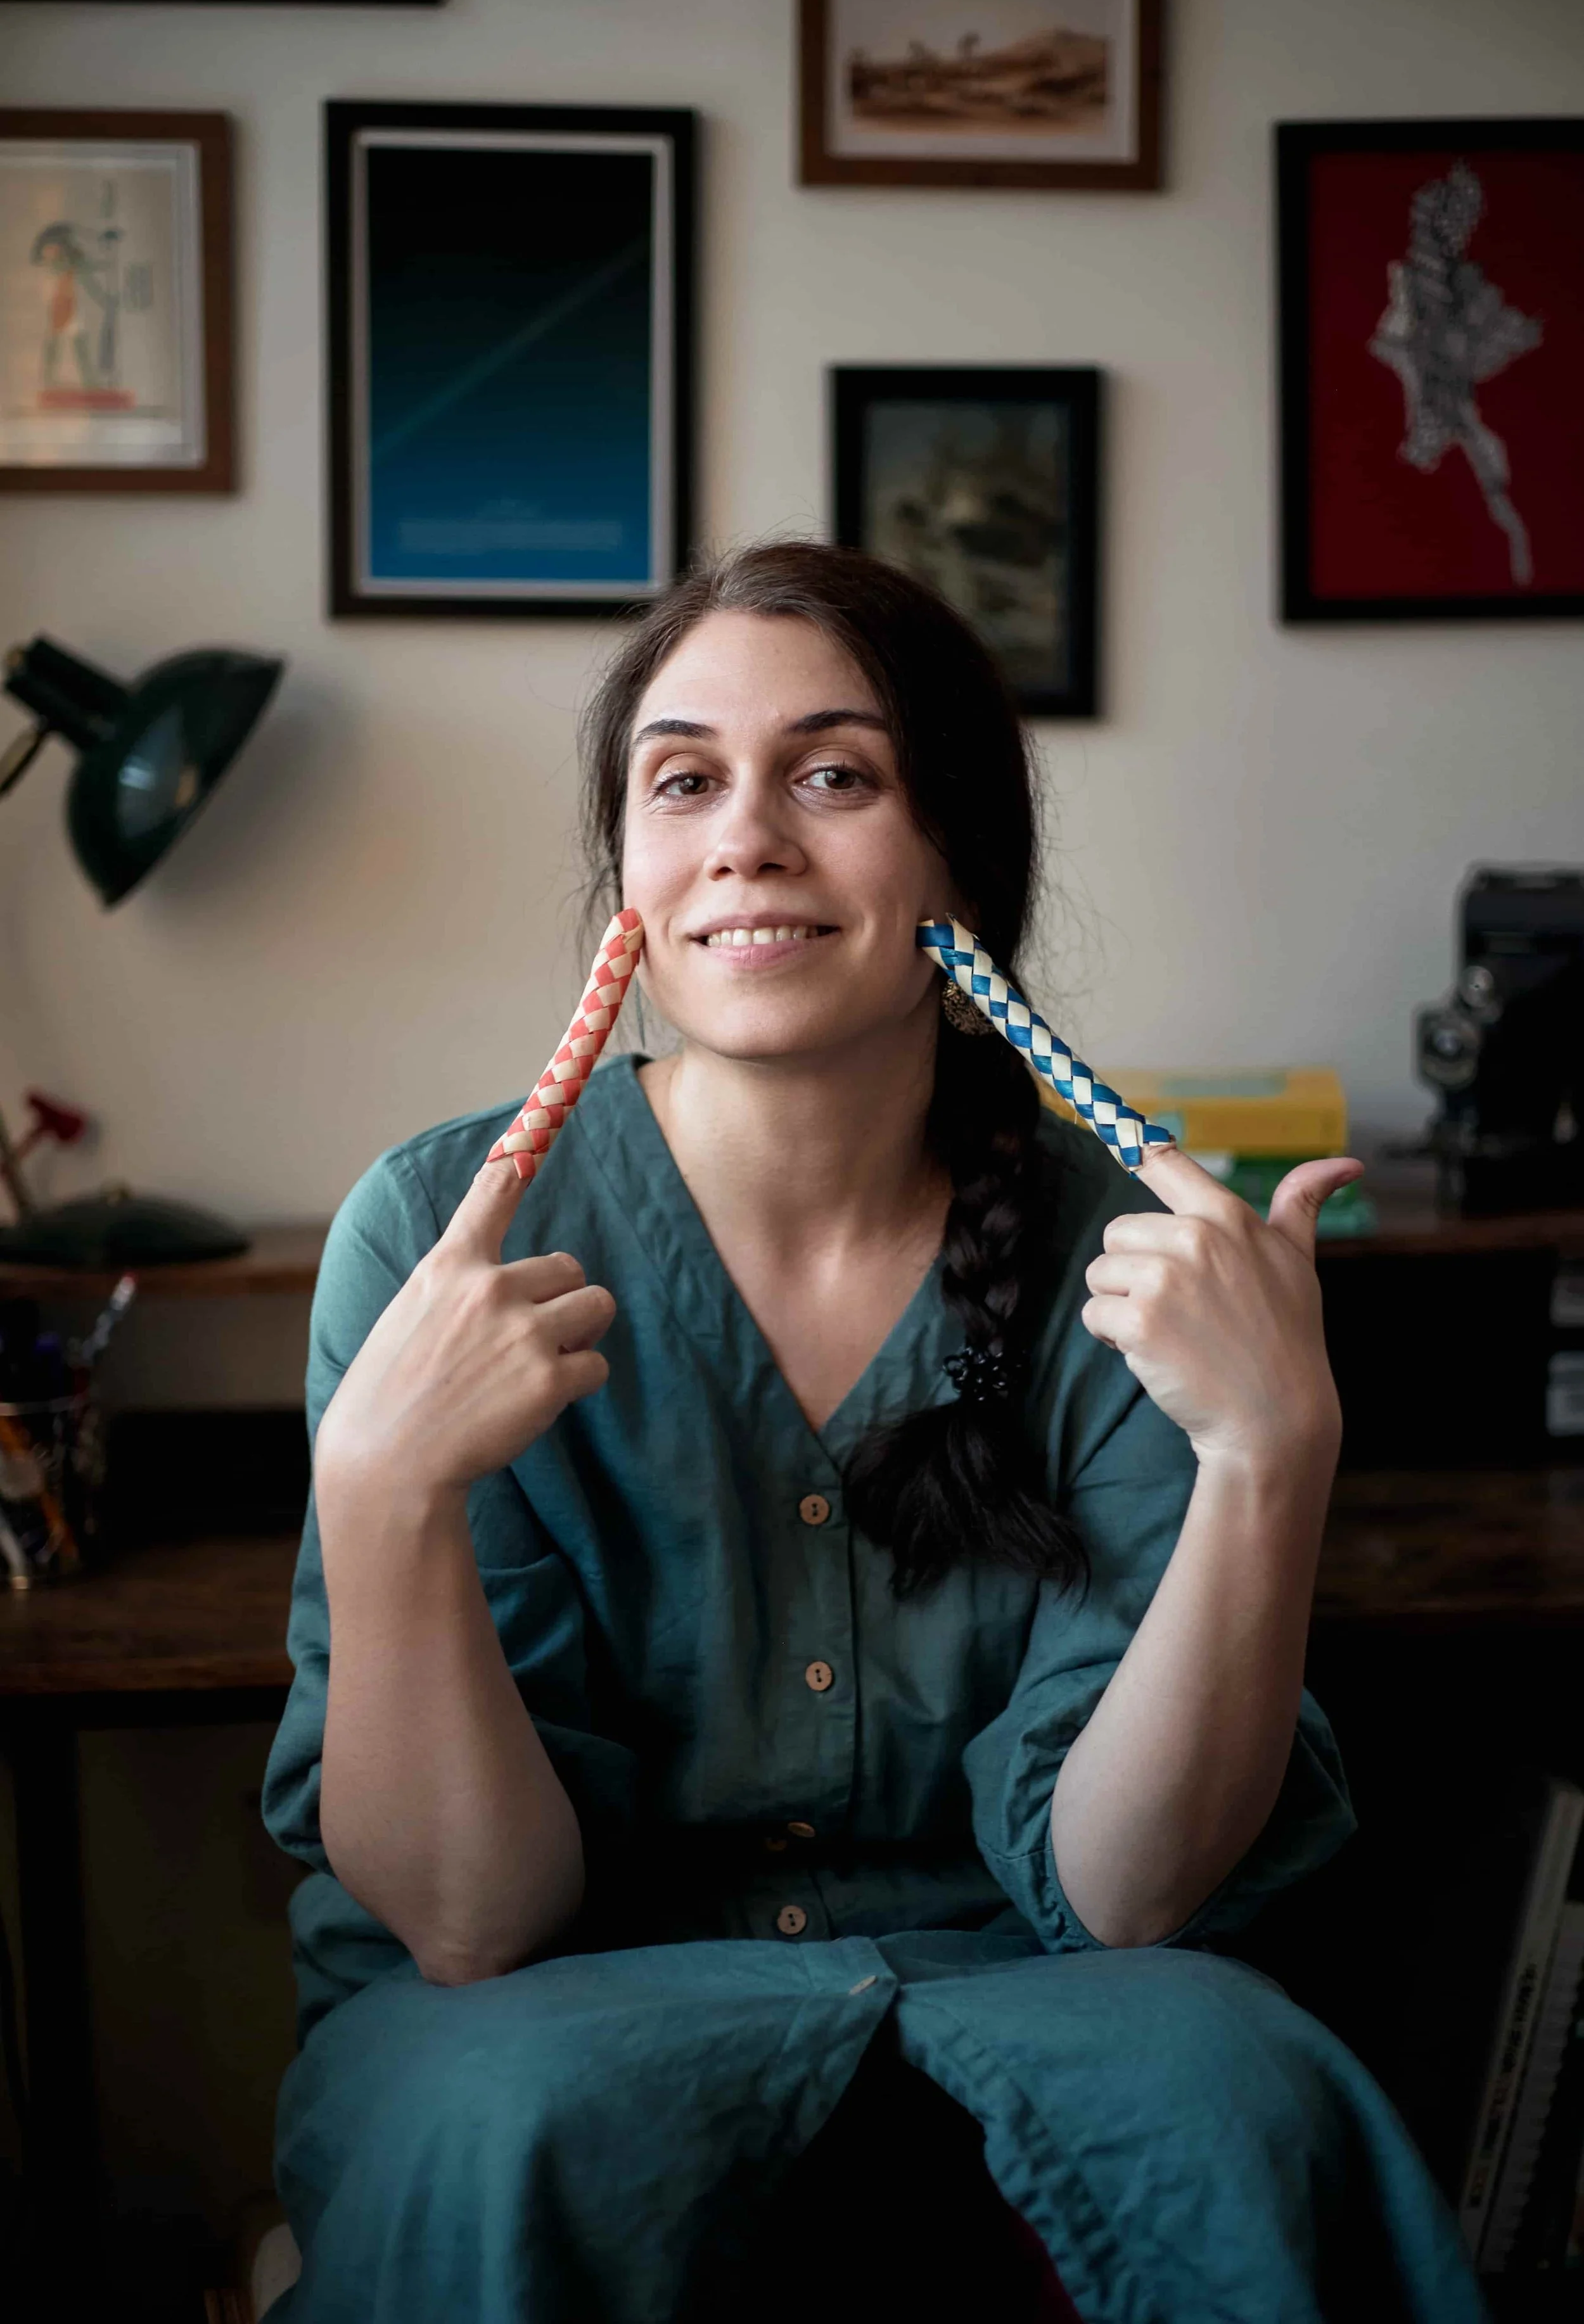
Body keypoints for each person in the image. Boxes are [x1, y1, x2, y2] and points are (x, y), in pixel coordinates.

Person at [262, 542, 1486, 2322]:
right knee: (503, 2109)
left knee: (1242, 2098)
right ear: (628, 867)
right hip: (553, 1995)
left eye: (832, 774)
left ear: (957, 865)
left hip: (1053, 1985)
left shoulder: (1132, 1260)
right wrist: (382, 1495)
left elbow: (1130, 1892)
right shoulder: (431, 1232)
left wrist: (1269, 1461)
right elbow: (470, 1924)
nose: (746, 836)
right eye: (683, 781)